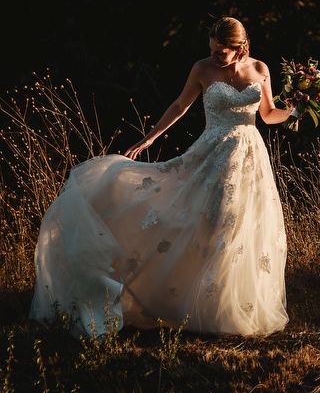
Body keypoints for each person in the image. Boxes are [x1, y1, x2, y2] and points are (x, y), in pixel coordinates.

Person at [29, 17, 295, 338]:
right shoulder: (202, 69)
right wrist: (150, 138)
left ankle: (228, 309)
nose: (214, 56)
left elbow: (268, 114)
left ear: (239, 49)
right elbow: (180, 105)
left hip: (250, 157)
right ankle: (181, 298)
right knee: (207, 224)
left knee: (240, 228)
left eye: (221, 52)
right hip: (211, 155)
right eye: (211, 50)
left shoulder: (260, 69)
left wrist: (295, 110)